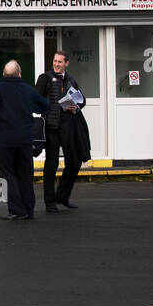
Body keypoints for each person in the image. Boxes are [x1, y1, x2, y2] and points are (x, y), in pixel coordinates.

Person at [0, 60, 49, 220]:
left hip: (3, 141)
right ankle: (29, 209)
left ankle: (17, 210)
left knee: (7, 174)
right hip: (25, 140)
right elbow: (43, 106)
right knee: (25, 175)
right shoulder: (28, 90)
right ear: (20, 73)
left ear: (3, 74)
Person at [35, 50, 92, 212]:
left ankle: (63, 196)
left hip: (68, 127)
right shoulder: (44, 78)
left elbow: (82, 100)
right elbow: (36, 98)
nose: (56, 64)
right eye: (55, 61)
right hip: (52, 128)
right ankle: (50, 203)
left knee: (74, 162)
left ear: (66, 63)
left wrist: (76, 107)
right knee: (51, 164)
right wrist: (47, 106)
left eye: (60, 62)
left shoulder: (71, 79)